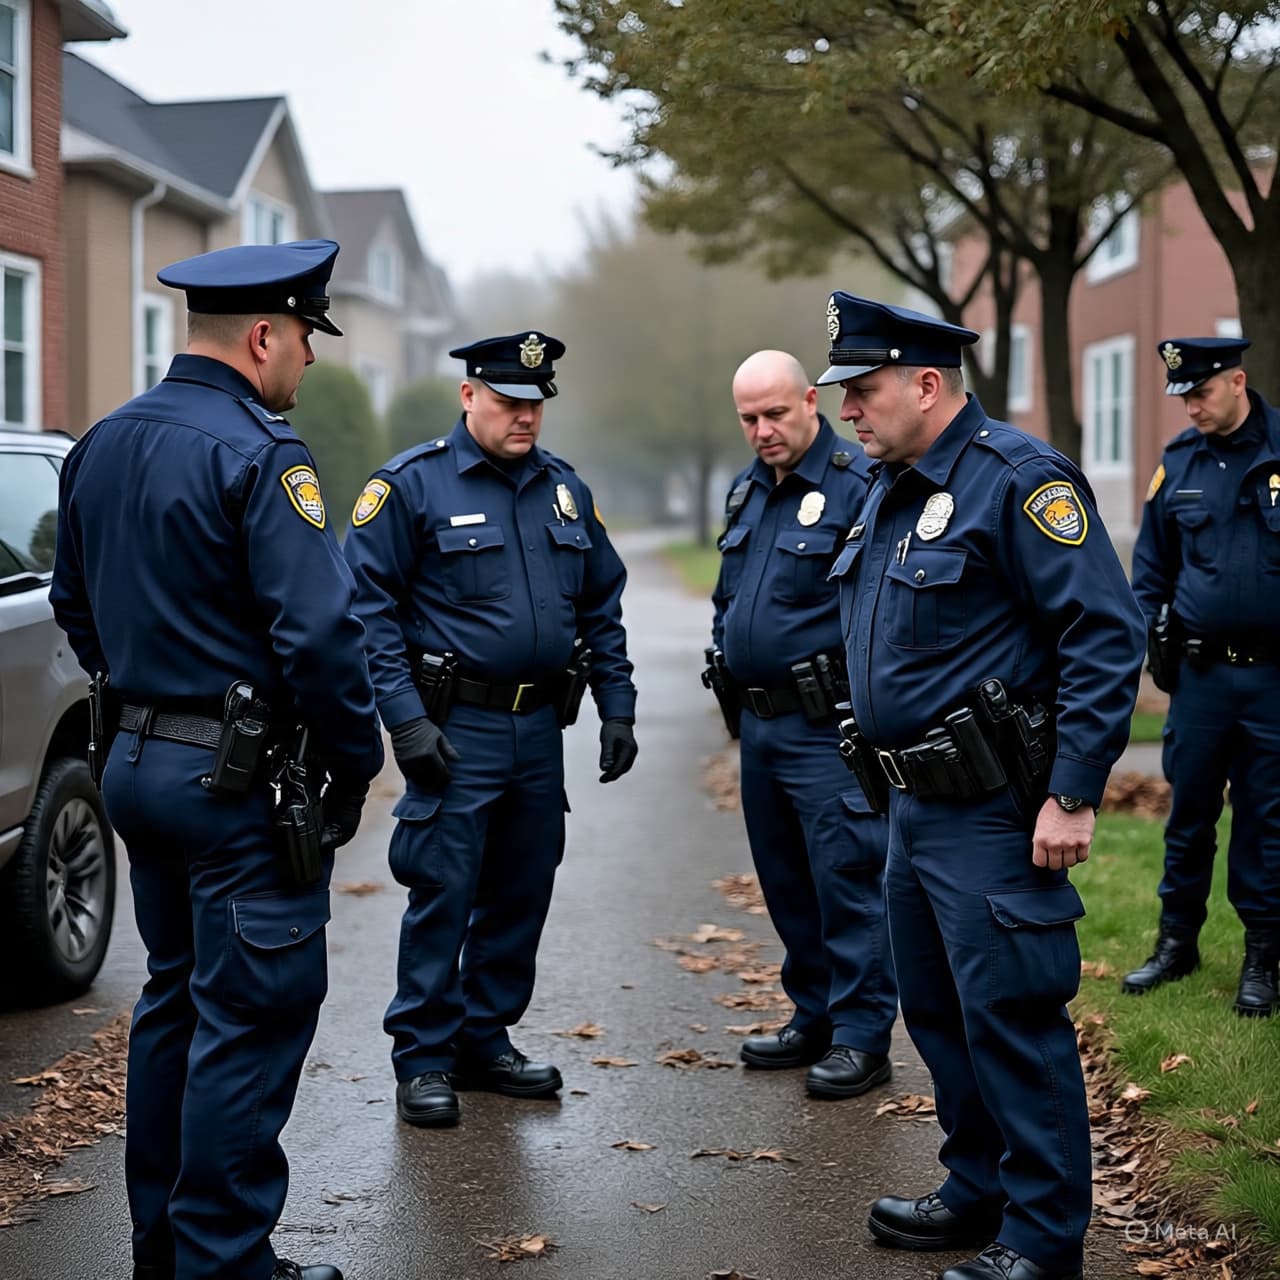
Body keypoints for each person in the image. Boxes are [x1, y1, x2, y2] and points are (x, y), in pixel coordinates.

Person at [50, 240, 384, 1280]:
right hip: (236, 789)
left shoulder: (101, 441)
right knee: (249, 1019)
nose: (310, 362)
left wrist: (145, 697)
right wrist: (352, 757)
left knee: (175, 1003)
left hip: (138, 769)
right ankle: (226, 1259)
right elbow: (321, 637)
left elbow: (72, 603)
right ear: (262, 335)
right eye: (305, 339)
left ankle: (166, 1246)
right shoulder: (260, 453)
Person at [821, 292, 1144, 1280]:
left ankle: (1044, 1235)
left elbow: (1101, 632)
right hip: (911, 806)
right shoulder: (893, 485)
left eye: (863, 391)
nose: (847, 412)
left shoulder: (1015, 479)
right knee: (935, 1009)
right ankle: (977, 1188)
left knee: (1010, 1013)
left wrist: (1075, 791)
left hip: (996, 808)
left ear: (926, 383)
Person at [343, 330, 638, 1129]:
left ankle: (483, 1036)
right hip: (456, 726)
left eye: (537, 404)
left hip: (538, 728)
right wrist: (403, 723)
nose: (526, 418)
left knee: (522, 886)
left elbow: (600, 604)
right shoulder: (410, 487)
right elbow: (367, 613)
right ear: (468, 395)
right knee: (443, 891)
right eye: (509, 402)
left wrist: (618, 707)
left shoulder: (564, 491)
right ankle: (425, 1057)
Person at [706, 349, 896, 1097]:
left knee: (846, 878)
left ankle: (860, 1035)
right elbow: (730, 598)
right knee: (786, 881)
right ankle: (812, 1014)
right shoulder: (747, 491)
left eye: (776, 413)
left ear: (810, 402)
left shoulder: (858, 486)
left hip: (829, 728)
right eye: (749, 418)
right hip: (762, 727)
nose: (763, 430)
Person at [1124, 336, 1280, 1016]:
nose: (1189, 405)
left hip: (1274, 682)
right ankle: (1176, 943)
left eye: (1200, 392)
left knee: (1268, 823)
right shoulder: (1178, 465)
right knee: (1186, 816)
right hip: (1200, 681)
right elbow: (1150, 571)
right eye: (1181, 394)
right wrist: (1143, 643)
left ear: (1238, 381)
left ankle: (1263, 960)